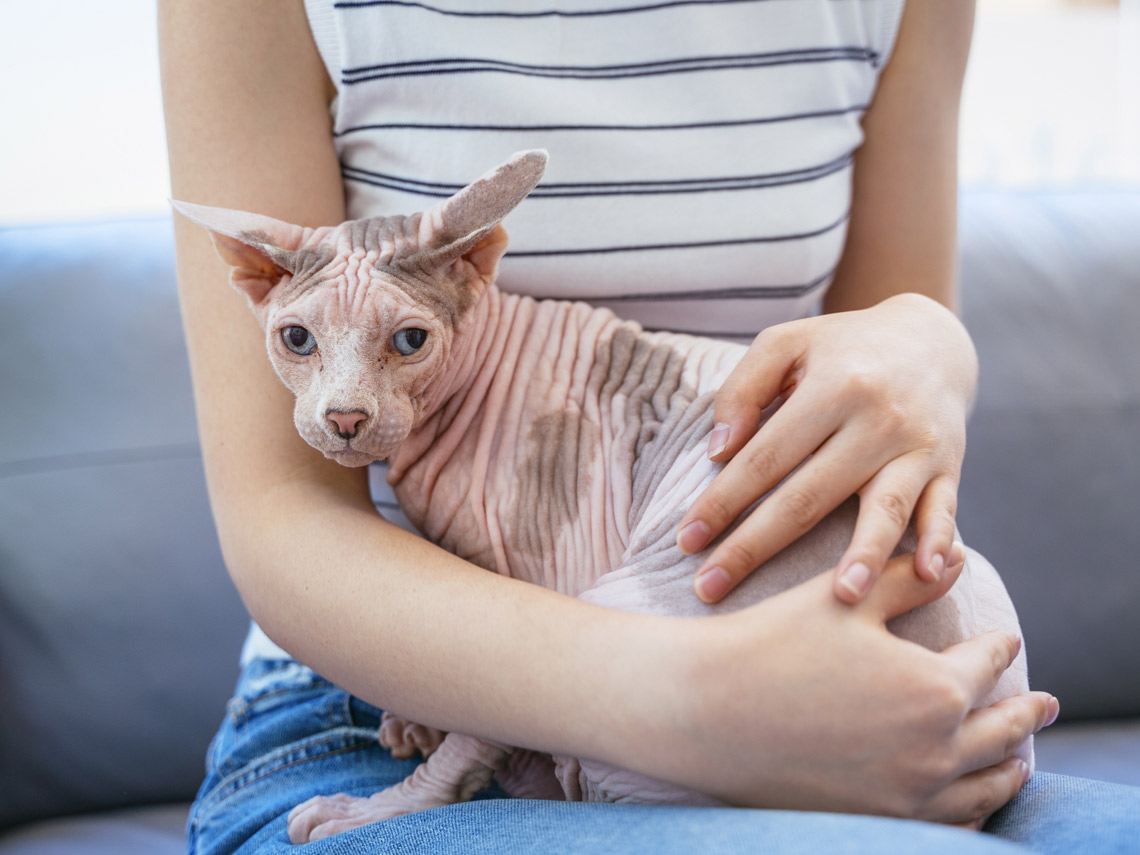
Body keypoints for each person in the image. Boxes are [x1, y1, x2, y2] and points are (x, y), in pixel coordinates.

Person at [159, 1, 1139, 853]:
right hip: (380, 713)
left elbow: (871, 420)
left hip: (831, 692)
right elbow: (285, 511)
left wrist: (930, 344)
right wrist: (700, 707)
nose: (344, 393)